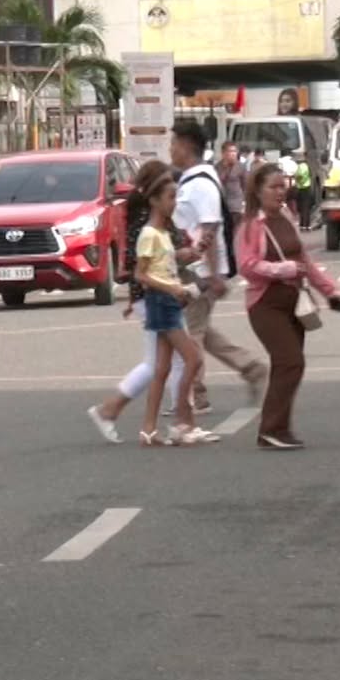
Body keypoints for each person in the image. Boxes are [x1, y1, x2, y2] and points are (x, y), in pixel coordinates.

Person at [237, 162, 340, 450]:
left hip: (294, 302)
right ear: (258, 190)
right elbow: (246, 265)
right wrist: (283, 270)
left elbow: (306, 262)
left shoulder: (287, 217)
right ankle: (270, 429)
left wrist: (332, 292)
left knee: (287, 365)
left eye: (283, 185)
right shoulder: (252, 225)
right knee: (291, 361)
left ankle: (278, 429)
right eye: (273, 187)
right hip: (265, 303)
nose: (281, 191)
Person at [87, 159, 189, 443]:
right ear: (155, 194)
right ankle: (177, 419)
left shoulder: (149, 217)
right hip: (155, 296)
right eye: (170, 194)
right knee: (165, 362)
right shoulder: (146, 221)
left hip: (155, 295)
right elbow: (139, 266)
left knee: (168, 361)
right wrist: (142, 294)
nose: (174, 201)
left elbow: (160, 258)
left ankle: (161, 420)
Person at [171, 121, 267, 415]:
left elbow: (209, 228)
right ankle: (251, 369)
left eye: (173, 144)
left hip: (201, 270)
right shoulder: (192, 179)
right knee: (202, 331)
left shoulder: (200, 183)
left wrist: (212, 274)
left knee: (191, 334)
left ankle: (195, 396)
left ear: (186, 146)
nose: (170, 150)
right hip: (194, 268)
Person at [131, 169, 216, 446]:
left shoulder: (162, 233)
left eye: (176, 197)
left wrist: (192, 253)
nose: (174, 203)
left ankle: (149, 429)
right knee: (193, 358)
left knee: (163, 368)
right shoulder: (150, 234)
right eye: (170, 197)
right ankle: (183, 421)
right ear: (154, 200)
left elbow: (166, 264)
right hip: (162, 301)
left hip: (168, 300)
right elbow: (141, 275)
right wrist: (173, 288)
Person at [292, 154, 316, 230]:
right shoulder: (304, 166)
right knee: (305, 208)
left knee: (303, 208)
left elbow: (300, 176)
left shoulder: (302, 166)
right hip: (305, 188)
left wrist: (296, 179)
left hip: (302, 188)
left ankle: (303, 225)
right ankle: (305, 225)